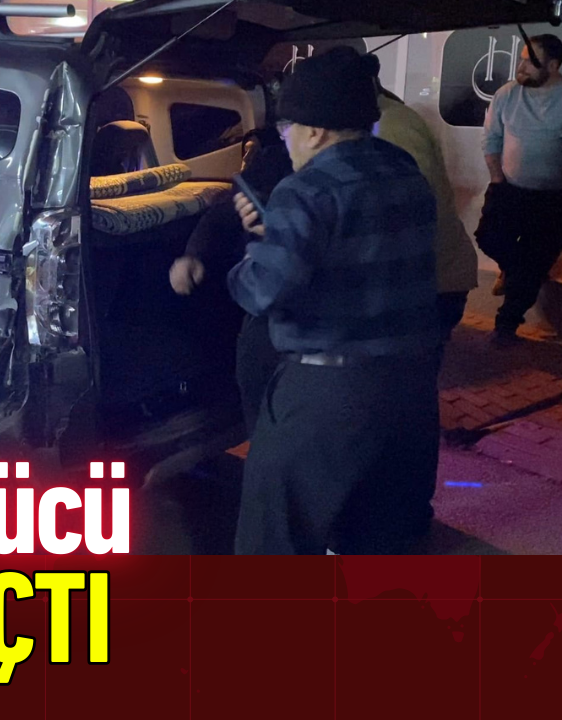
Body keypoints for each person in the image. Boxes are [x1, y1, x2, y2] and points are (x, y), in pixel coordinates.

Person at [228, 47, 441, 555]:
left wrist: (253, 254)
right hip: (411, 387)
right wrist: (284, 237)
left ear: (316, 131)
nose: (286, 140)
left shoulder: (305, 189)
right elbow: (362, 255)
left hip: (329, 394)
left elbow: (262, 290)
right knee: (381, 538)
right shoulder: (405, 171)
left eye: (288, 129)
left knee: (273, 543)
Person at [476, 34, 562, 345]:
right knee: (488, 238)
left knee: (533, 262)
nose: (520, 67)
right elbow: (491, 138)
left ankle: (505, 327)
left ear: (553, 65)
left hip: (556, 197)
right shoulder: (507, 94)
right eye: (521, 59)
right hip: (510, 189)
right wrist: (497, 179)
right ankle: (514, 271)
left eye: (530, 61)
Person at [170, 127, 292, 436]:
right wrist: (193, 255)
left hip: (283, 314)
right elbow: (224, 211)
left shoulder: (313, 183)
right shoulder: (273, 163)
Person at [366, 56, 480, 344]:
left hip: (430, 282)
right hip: (430, 279)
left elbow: (418, 202)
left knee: (411, 362)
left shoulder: (390, 123)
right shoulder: (387, 118)